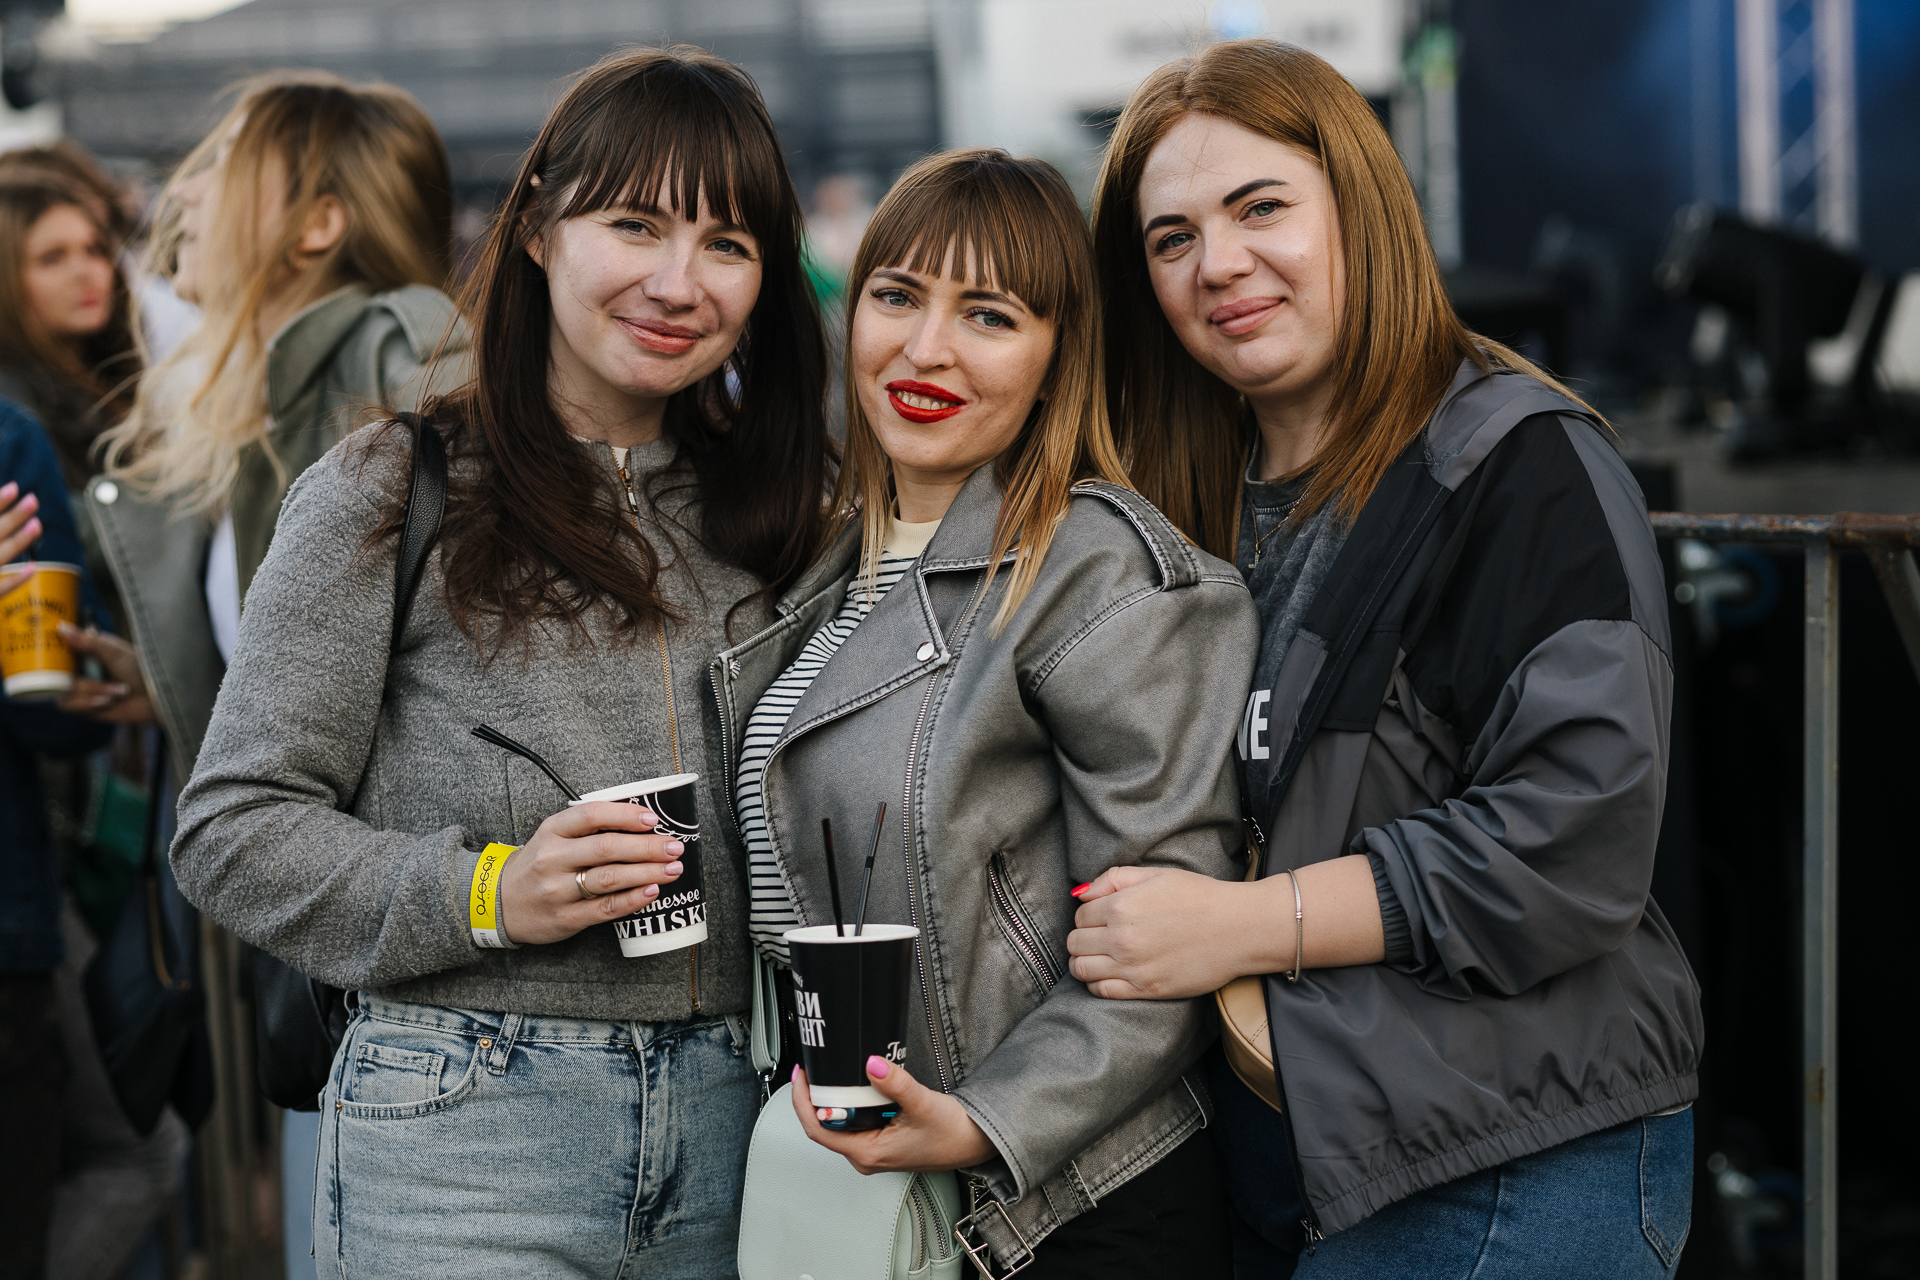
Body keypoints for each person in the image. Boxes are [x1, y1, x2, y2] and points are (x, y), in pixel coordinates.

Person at [168, 47, 833, 1276]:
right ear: (536, 229)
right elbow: (231, 828)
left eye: (728, 244)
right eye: (635, 224)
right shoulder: (395, 483)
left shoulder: (788, 511)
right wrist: (488, 891)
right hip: (465, 1120)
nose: (678, 282)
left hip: (742, 1126)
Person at [1068, 40, 1703, 1279]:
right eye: (1172, 237)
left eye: (1261, 207)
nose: (1219, 263)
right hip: (1296, 1157)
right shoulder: (1178, 505)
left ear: (1361, 207)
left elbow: (1573, 843)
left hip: (1506, 1158)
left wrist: (1243, 924)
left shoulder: (1519, 463)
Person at [723, 148, 1256, 1277]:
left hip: (1071, 1210)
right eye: (898, 296)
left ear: (1059, 356)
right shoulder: (817, 567)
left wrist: (979, 1121)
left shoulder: (1102, 574)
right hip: (860, 1188)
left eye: (990, 316)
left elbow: (1167, 945)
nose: (927, 350)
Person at [63, 72, 471, 1278]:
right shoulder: (294, 384)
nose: (182, 195)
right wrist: (177, 688)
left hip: (409, 968)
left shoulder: (396, 355)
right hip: (352, 958)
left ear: (318, 223)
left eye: (220, 168)